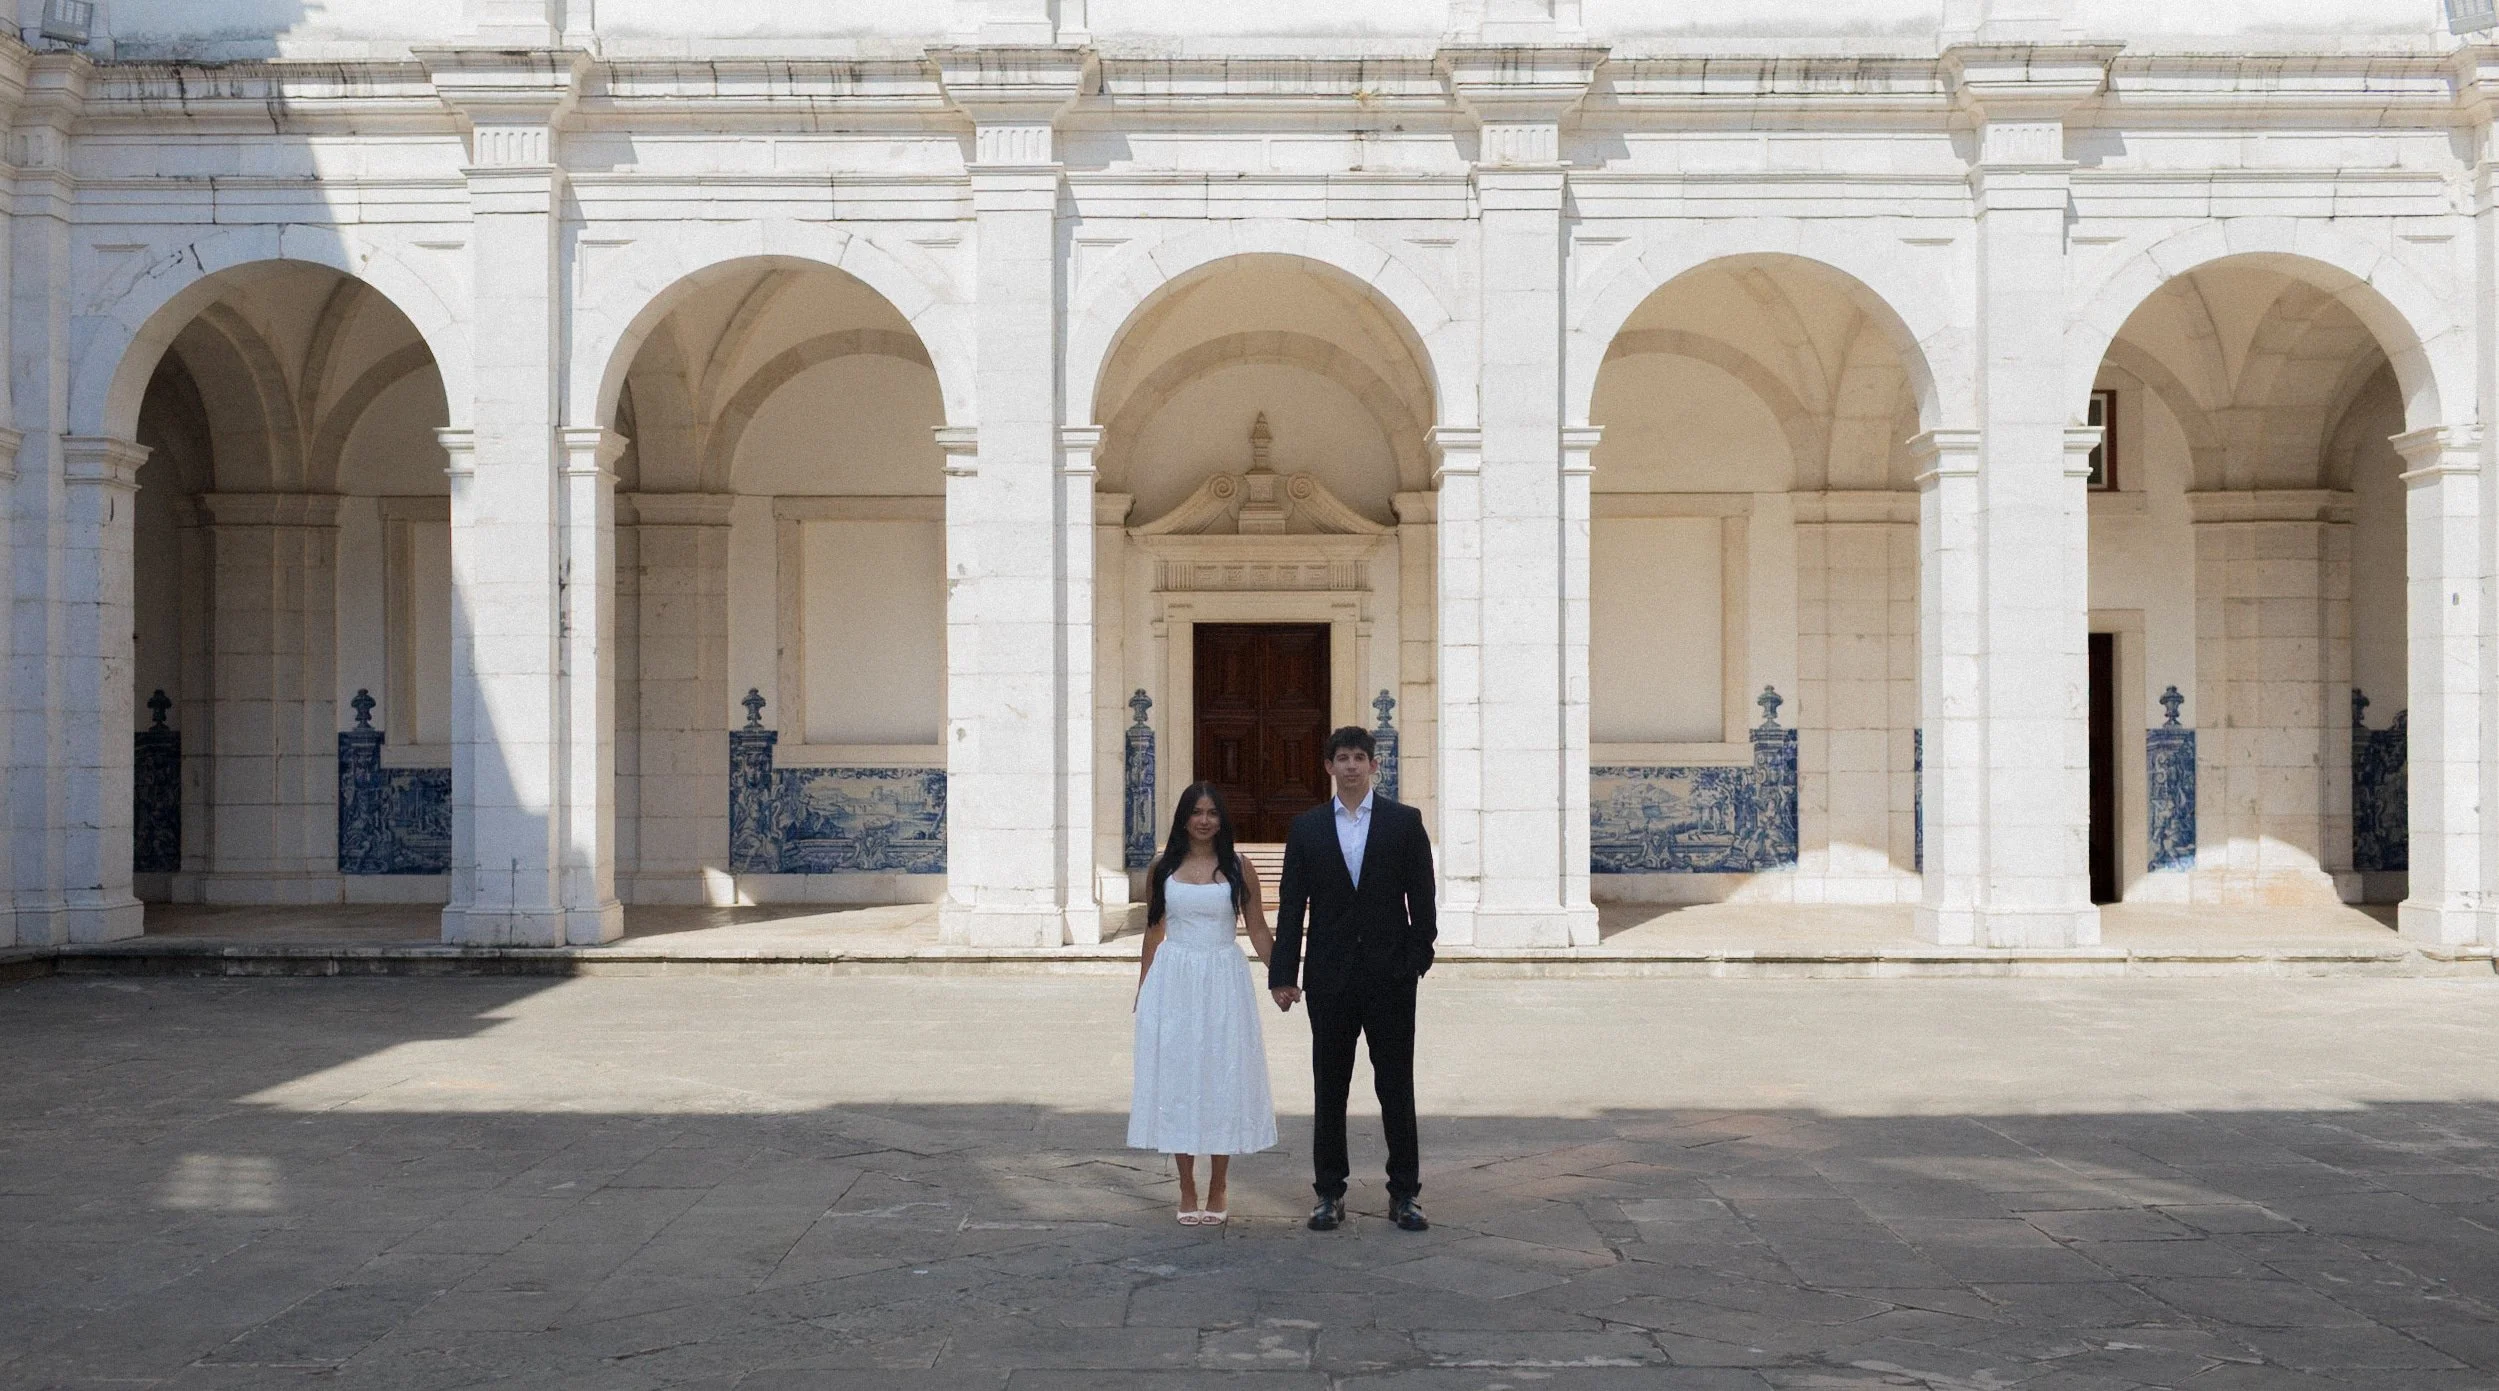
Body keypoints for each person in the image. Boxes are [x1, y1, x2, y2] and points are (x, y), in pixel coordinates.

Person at [1268, 726, 1437, 1233]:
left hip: (1390, 978)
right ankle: (1329, 1193)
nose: (1351, 766)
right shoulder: (1308, 828)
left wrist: (1417, 957)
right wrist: (1284, 973)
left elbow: (1422, 897)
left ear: (1373, 765)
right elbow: (1292, 905)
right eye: (1342, 758)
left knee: (1396, 1087)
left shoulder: (1404, 823)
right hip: (1330, 978)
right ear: (1329, 766)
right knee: (1330, 1088)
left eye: (1359, 757)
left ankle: (1404, 1194)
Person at [1128, 782, 1279, 1226]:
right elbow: (1154, 931)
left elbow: (1257, 928)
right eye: (1197, 812)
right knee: (1178, 1079)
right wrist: (1143, 988)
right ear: (1184, 817)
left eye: (1212, 812)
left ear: (1222, 819)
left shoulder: (1238, 867)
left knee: (1222, 1077)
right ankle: (1186, 1185)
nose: (1204, 820)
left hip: (1223, 980)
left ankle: (1218, 1185)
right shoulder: (1162, 868)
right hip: (1174, 981)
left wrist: (1282, 976)